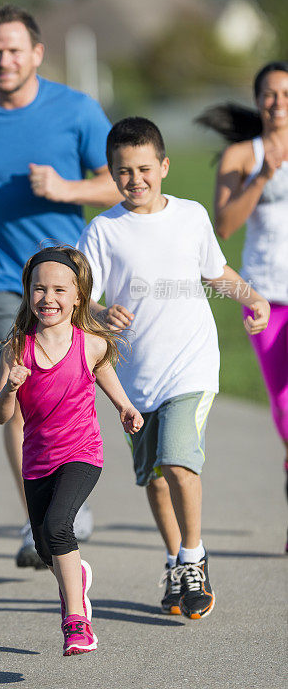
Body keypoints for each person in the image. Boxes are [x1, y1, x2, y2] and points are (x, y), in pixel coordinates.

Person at [0, 4, 122, 568]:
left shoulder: (78, 110)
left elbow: (121, 182)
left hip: (65, 282)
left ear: (37, 54)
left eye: (15, 50)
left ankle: (69, 493)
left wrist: (66, 189)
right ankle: (37, 519)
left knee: (72, 387)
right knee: (15, 394)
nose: (3, 60)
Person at [77, 117, 270, 619]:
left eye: (144, 168)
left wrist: (250, 296)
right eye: (123, 171)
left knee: (179, 462)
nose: (135, 179)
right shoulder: (103, 230)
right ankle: (174, 561)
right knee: (155, 479)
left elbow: (214, 271)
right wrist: (100, 313)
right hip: (133, 379)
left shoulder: (190, 217)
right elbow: (81, 299)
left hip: (191, 366)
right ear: (113, 175)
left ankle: (193, 556)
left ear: (163, 166)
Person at [0, 246, 143, 656]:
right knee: (45, 546)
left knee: (59, 524)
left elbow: (105, 374)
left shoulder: (89, 343)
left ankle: (76, 622)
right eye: (39, 289)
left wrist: (125, 407)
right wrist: (11, 387)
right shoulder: (17, 348)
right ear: (28, 294)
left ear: (78, 297)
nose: (48, 298)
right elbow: (0, 415)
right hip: (37, 460)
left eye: (60, 289)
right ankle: (77, 575)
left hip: (81, 453)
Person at [196, 61, 288, 551]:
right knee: (284, 409)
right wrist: (262, 177)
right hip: (266, 297)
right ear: (257, 101)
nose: (278, 103)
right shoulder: (240, 155)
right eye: (269, 95)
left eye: (286, 94)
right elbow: (225, 227)